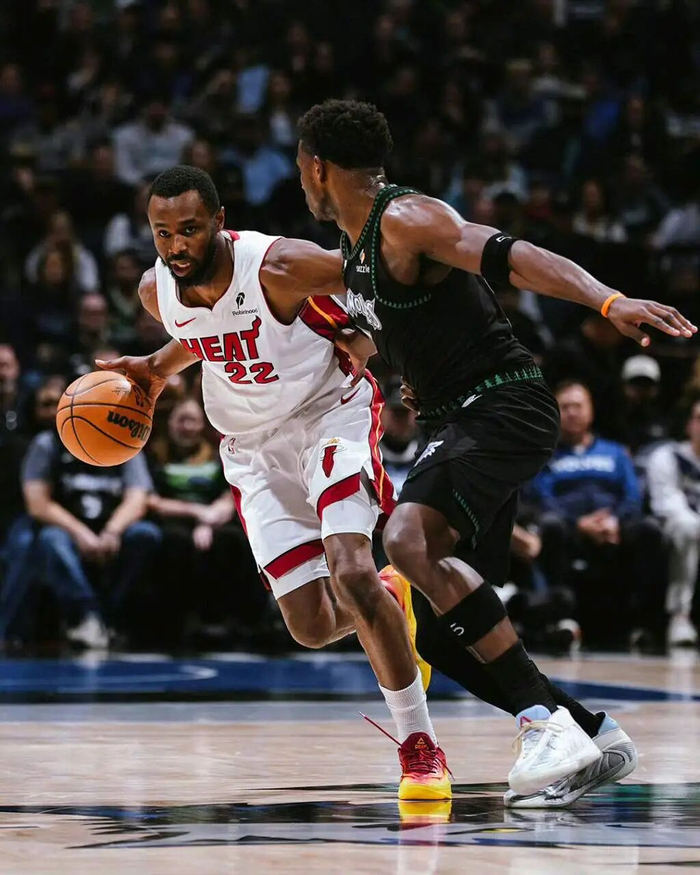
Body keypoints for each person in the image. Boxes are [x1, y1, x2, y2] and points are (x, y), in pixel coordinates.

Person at [294, 99, 694, 805]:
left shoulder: (405, 218)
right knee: (442, 640)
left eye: (302, 168)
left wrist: (608, 302)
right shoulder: (353, 253)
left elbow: (516, 257)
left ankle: (542, 723)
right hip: (457, 418)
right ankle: (592, 733)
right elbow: (406, 327)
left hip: (503, 401)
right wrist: (394, 368)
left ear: (317, 167)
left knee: (407, 538)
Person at [96, 165, 450, 802]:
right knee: (310, 626)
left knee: (350, 569)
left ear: (219, 221)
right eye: (162, 233)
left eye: (189, 229)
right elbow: (204, 334)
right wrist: (155, 367)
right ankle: (391, 597)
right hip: (252, 449)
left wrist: (375, 343)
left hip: (328, 415)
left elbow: (383, 278)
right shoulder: (156, 291)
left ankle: (419, 746)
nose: (176, 245)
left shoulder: (280, 266)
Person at [527, 381, 668, 649]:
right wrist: (580, 524)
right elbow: (543, 500)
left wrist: (615, 521)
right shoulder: (545, 455)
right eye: (565, 406)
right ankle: (561, 618)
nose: (572, 412)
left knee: (649, 530)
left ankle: (645, 625)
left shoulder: (615, 452)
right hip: (569, 528)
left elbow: (632, 496)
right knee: (550, 525)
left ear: (590, 410)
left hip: (615, 526)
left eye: (578, 406)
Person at [147, 398, 265, 646]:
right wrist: (196, 513)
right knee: (176, 543)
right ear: (170, 423)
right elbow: (151, 500)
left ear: (203, 424)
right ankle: (178, 624)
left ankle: (231, 622)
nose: (186, 427)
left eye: (192, 421)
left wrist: (209, 521)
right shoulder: (155, 455)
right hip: (173, 519)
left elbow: (230, 493)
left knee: (234, 540)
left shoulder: (216, 454)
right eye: (181, 420)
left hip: (213, 519)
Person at [647, 397, 700, 646]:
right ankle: (680, 617)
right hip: (677, 530)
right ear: (689, 425)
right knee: (688, 528)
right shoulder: (667, 456)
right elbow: (666, 504)